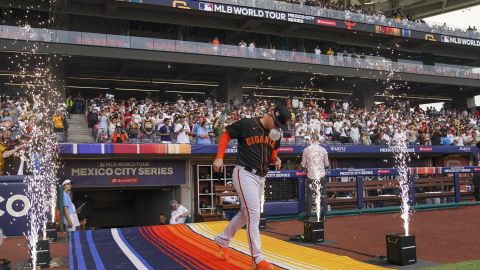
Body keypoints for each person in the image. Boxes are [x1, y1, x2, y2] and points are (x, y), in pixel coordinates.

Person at [212, 104, 292, 270]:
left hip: (261, 176)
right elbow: (226, 135)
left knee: (245, 213)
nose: (278, 127)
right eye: (277, 123)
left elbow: (272, 156)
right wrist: (219, 157)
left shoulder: (276, 134)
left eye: (280, 125)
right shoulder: (248, 124)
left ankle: (223, 239)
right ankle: (257, 258)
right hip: (244, 173)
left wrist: (275, 160)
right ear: (270, 114)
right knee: (254, 213)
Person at [301, 134, 329, 221]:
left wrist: (306, 167)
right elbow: (327, 165)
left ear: (311, 140)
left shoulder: (306, 149)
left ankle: (308, 215)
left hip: (311, 176)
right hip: (321, 175)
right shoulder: (323, 150)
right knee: (322, 195)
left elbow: (302, 165)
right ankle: (323, 215)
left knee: (309, 196)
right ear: (318, 140)